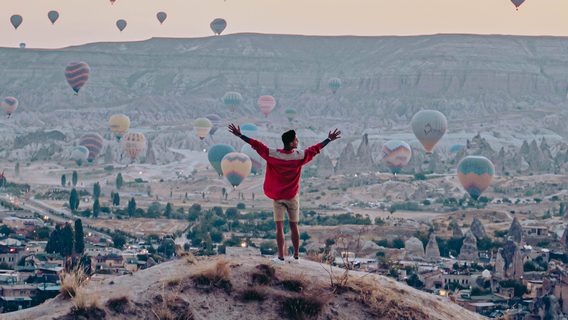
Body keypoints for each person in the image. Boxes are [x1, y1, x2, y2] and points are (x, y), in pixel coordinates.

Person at [228, 124, 341, 264]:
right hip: (292, 196)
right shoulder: (299, 156)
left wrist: (240, 135)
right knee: (294, 226)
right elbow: (315, 149)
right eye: (296, 139)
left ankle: (281, 257)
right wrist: (328, 139)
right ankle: (296, 257)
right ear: (291, 142)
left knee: (279, 227)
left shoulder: (273, 154)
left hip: (277, 197)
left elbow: (256, 145)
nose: (298, 141)